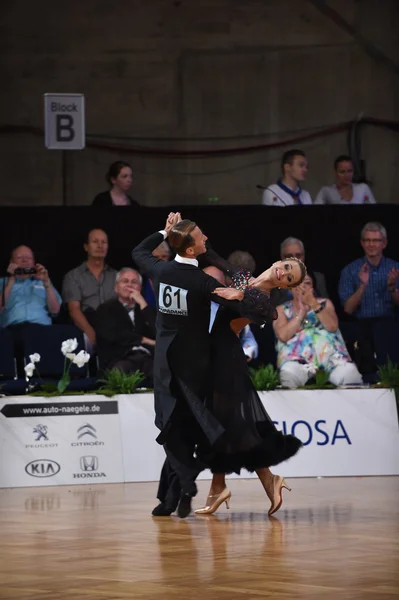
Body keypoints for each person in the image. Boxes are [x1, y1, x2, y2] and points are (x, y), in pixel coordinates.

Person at [132, 215, 277, 518]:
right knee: (185, 431)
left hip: (168, 367)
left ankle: (181, 489)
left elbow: (139, 252)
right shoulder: (202, 281)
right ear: (189, 250)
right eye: (200, 236)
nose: (205, 237)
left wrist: (164, 230)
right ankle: (183, 486)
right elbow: (257, 310)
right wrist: (248, 292)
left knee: (175, 429)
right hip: (195, 369)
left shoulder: (161, 270)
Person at [193, 258, 306, 517]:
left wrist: (239, 294)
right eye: (287, 267)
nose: (284, 273)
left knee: (224, 424)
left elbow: (258, 312)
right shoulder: (244, 277)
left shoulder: (264, 300)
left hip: (227, 360)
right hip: (215, 356)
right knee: (229, 424)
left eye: (289, 278)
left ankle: (225, 487)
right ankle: (248, 483)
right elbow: (212, 256)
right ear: (280, 261)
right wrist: (193, 238)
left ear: (286, 286)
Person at [273, 274, 362, 389]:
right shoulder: (281, 309)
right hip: (297, 361)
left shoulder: (325, 303)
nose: (302, 286)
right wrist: (301, 313)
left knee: (350, 374)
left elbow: (332, 326)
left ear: (313, 288)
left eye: (307, 283)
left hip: (332, 360)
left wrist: (313, 304)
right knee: (289, 374)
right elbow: (283, 335)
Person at [338, 221, 399, 369]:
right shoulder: (350, 270)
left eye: (376, 240)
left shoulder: (395, 268)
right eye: (367, 240)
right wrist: (362, 286)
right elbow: (348, 309)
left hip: (389, 326)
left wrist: (392, 287)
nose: (371, 244)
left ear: (384, 243)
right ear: (362, 243)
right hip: (361, 329)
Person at [94, 268, 156, 382]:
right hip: (120, 357)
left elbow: (158, 331)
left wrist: (143, 303)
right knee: (119, 372)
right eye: (125, 281)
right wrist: (145, 340)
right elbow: (115, 335)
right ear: (116, 287)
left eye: (134, 282)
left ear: (140, 288)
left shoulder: (146, 309)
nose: (129, 285)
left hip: (148, 358)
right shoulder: (105, 309)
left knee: (165, 373)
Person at [62, 229, 117, 346]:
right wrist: (91, 334)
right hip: (85, 327)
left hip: (113, 326)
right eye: (95, 242)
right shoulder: (73, 276)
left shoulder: (116, 276)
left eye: (104, 242)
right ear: (86, 247)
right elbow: (74, 310)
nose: (100, 245)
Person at [271, 236, 328, 306]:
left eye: (298, 255)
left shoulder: (318, 278)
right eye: (289, 256)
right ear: (282, 257)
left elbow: (326, 307)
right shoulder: (273, 282)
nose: (294, 260)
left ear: (304, 255)